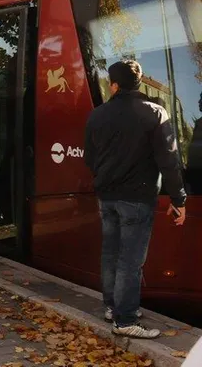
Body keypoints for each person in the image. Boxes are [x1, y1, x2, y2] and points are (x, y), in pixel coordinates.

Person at [84, 60, 186, 339]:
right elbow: (169, 161)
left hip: (107, 197)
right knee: (131, 260)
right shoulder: (155, 112)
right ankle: (125, 319)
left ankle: (112, 307)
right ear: (138, 83)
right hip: (138, 198)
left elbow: (89, 159)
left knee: (110, 253)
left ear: (114, 85)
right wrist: (178, 199)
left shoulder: (97, 115)